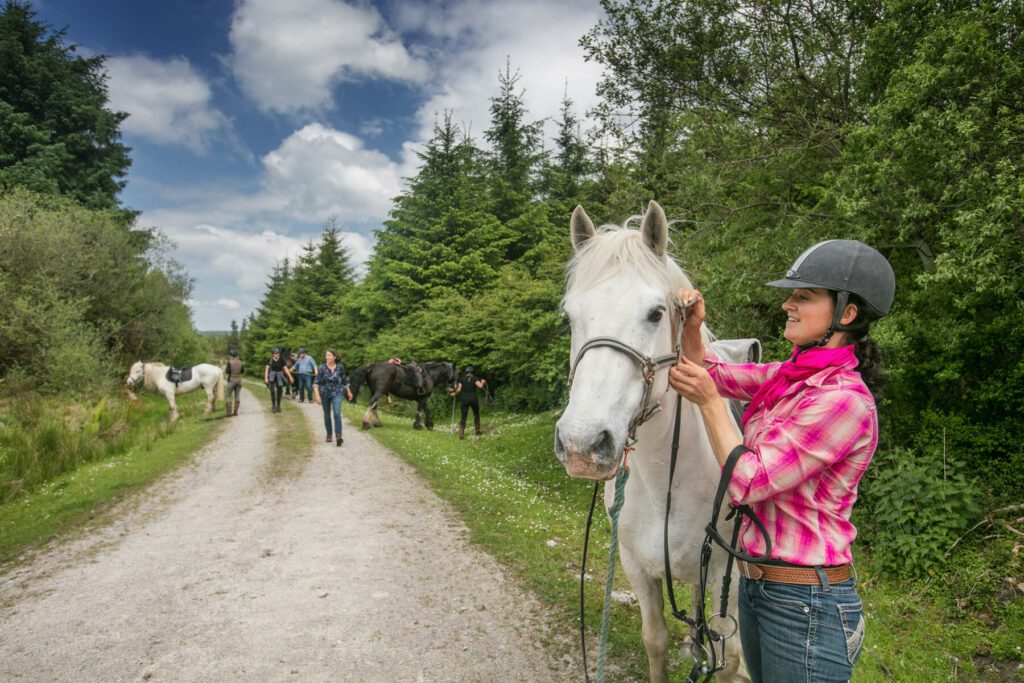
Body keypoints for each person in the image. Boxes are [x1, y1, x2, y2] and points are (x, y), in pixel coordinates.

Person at [667, 240, 895, 683]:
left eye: (804, 296)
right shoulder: (789, 378)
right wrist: (694, 328)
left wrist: (712, 405)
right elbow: (708, 371)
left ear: (845, 314)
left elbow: (749, 482)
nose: (787, 304)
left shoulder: (842, 401)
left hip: (805, 602)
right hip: (761, 588)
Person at [314, 349, 353, 446]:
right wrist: (317, 396)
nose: (327, 357)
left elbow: (344, 381)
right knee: (327, 414)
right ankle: (329, 434)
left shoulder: (340, 367)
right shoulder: (322, 368)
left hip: (337, 393)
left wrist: (349, 392)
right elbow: (315, 383)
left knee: (336, 412)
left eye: (329, 355)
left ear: (334, 357)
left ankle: (338, 436)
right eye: (326, 355)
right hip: (324, 394)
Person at [451, 364, 486, 439]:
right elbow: (480, 386)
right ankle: (477, 431)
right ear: (472, 372)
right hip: (473, 399)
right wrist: (483, 382)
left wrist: (454, 393)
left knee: (463, 416)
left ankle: (461, 433)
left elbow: (459, 390)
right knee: (476, 414)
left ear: (466, 372)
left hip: (465, 399)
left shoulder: (462, 379)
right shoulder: (475, 378)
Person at [263, 348, 293, 414]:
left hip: (279, 376)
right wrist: (266, 378)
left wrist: (290, 377)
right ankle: (273, 406)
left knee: (279, 392)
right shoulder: (270, 360)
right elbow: (267, 369)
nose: (278, 355)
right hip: (272, 376)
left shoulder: (282, 360)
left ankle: (278, 406)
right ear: (273, 354)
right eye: (276, 353)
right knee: (272, 391)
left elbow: (285, 369)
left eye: (278, 353)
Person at [223, 349, 244, 417]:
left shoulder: (230, 362)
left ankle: (229, 413)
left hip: (231, 380)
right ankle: (235, 412)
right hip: (239, 380)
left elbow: (227, 371)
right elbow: (242, 371)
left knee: (228, 395)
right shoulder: (241, 362)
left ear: (231, 356)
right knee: (237, 396)